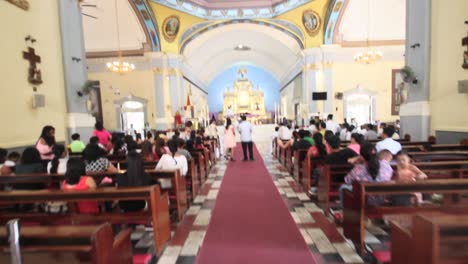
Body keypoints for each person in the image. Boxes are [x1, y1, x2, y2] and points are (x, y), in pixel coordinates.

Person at [339, 143, 393, 207]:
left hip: (364, 200)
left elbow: (347, 180)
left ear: (361, 156)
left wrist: (357, 162)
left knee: (343, 187)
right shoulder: (385, 165)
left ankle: (344, 211)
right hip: (382, 198)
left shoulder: (359, 168)